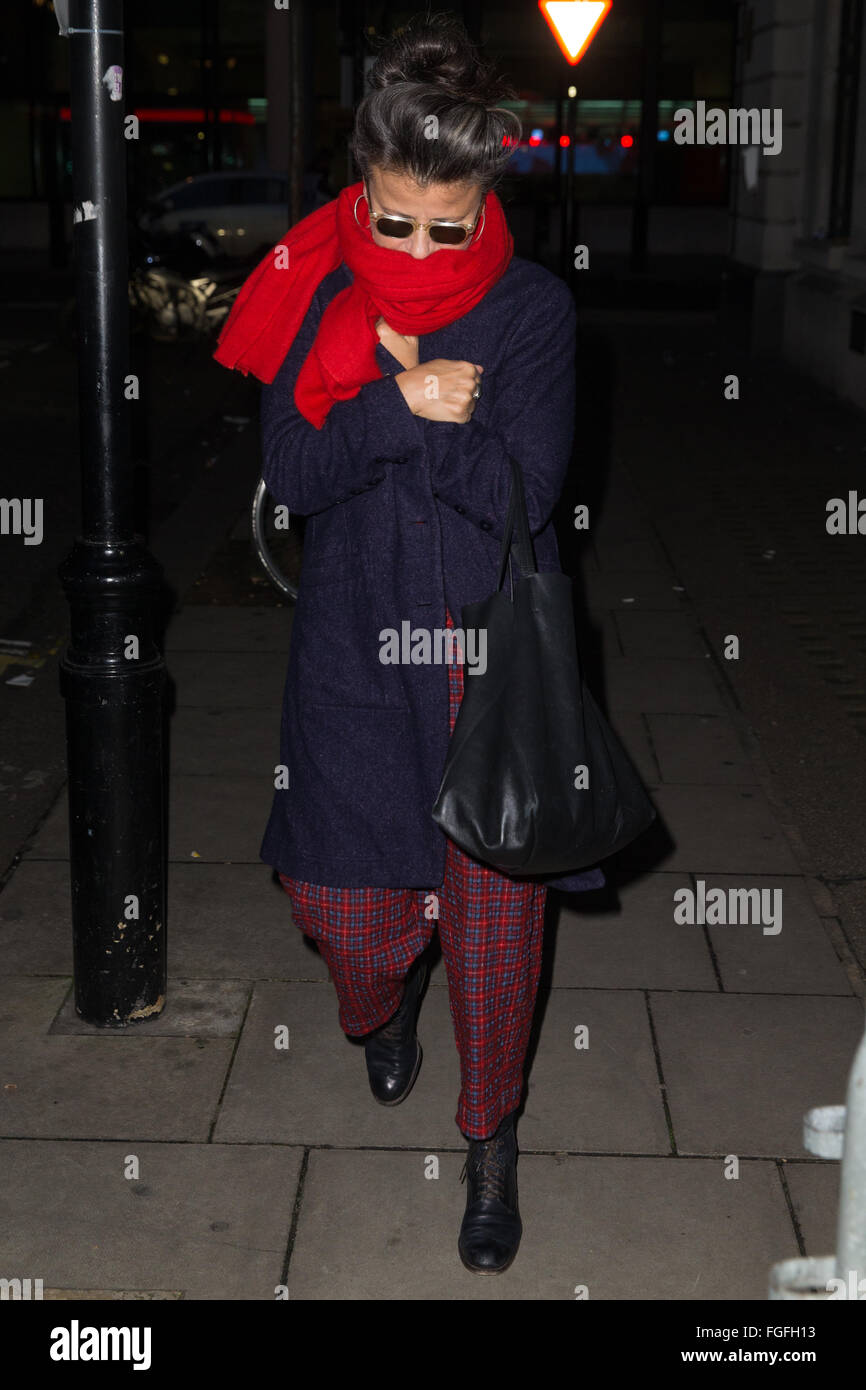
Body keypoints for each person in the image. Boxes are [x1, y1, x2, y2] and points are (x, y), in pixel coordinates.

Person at [213, 12, 604, 1276]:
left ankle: (488, 1148)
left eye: (447, 224)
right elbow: (295, 469)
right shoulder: (317, 289)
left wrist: (419, 410)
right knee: (339, 908)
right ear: (364, 189)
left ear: (484, 198)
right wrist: (398, 401)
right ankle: (376, 1011)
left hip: (491, 667)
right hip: (351, 663)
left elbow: (523, 493)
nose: (418, 246)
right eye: (393, 218)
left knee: (494, 940)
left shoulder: (533, 312)